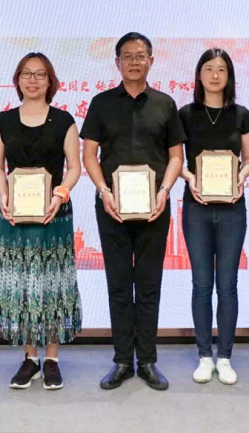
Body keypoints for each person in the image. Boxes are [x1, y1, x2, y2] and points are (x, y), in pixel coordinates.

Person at [81, 32, 185, 391]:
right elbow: (89, 155)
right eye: (128, 56)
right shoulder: (101, 103)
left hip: (155, 208)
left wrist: (165, 191)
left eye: (141, 55)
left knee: (150, 284)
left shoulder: (165, 104)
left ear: (151, 61)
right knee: (119, 284)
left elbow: (176, 156)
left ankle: (149, 361)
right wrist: (104, 191)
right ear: (117, 62)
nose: (135, 61)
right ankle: (123, 360)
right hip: (112, 208)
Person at [0, 52, 83, 391]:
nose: (33, 80)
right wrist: (3, 194)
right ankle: (30, 358)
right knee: (23, 284)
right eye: (26, 74)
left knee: (53, 284)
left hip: (54, 215)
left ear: (50, 81)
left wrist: (61, 193)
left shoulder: (64, 120)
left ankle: (52, 359)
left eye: (40, 74)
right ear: (17, 80)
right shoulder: (2, 121)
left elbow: (74, 167)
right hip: (15, 215)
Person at [179, 48, 249, 385]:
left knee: (227, 285)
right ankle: (203, 356)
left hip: (232, 208)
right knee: (200, 284)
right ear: (199, 74)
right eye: (208, 68)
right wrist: (190, 178)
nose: (214, 75)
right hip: (196, 206)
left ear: (229, 76)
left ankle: (224, 357)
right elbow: (174, 159)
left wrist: (241, 178)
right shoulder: (185, 113)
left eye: (221, 69)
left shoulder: (241, 114)